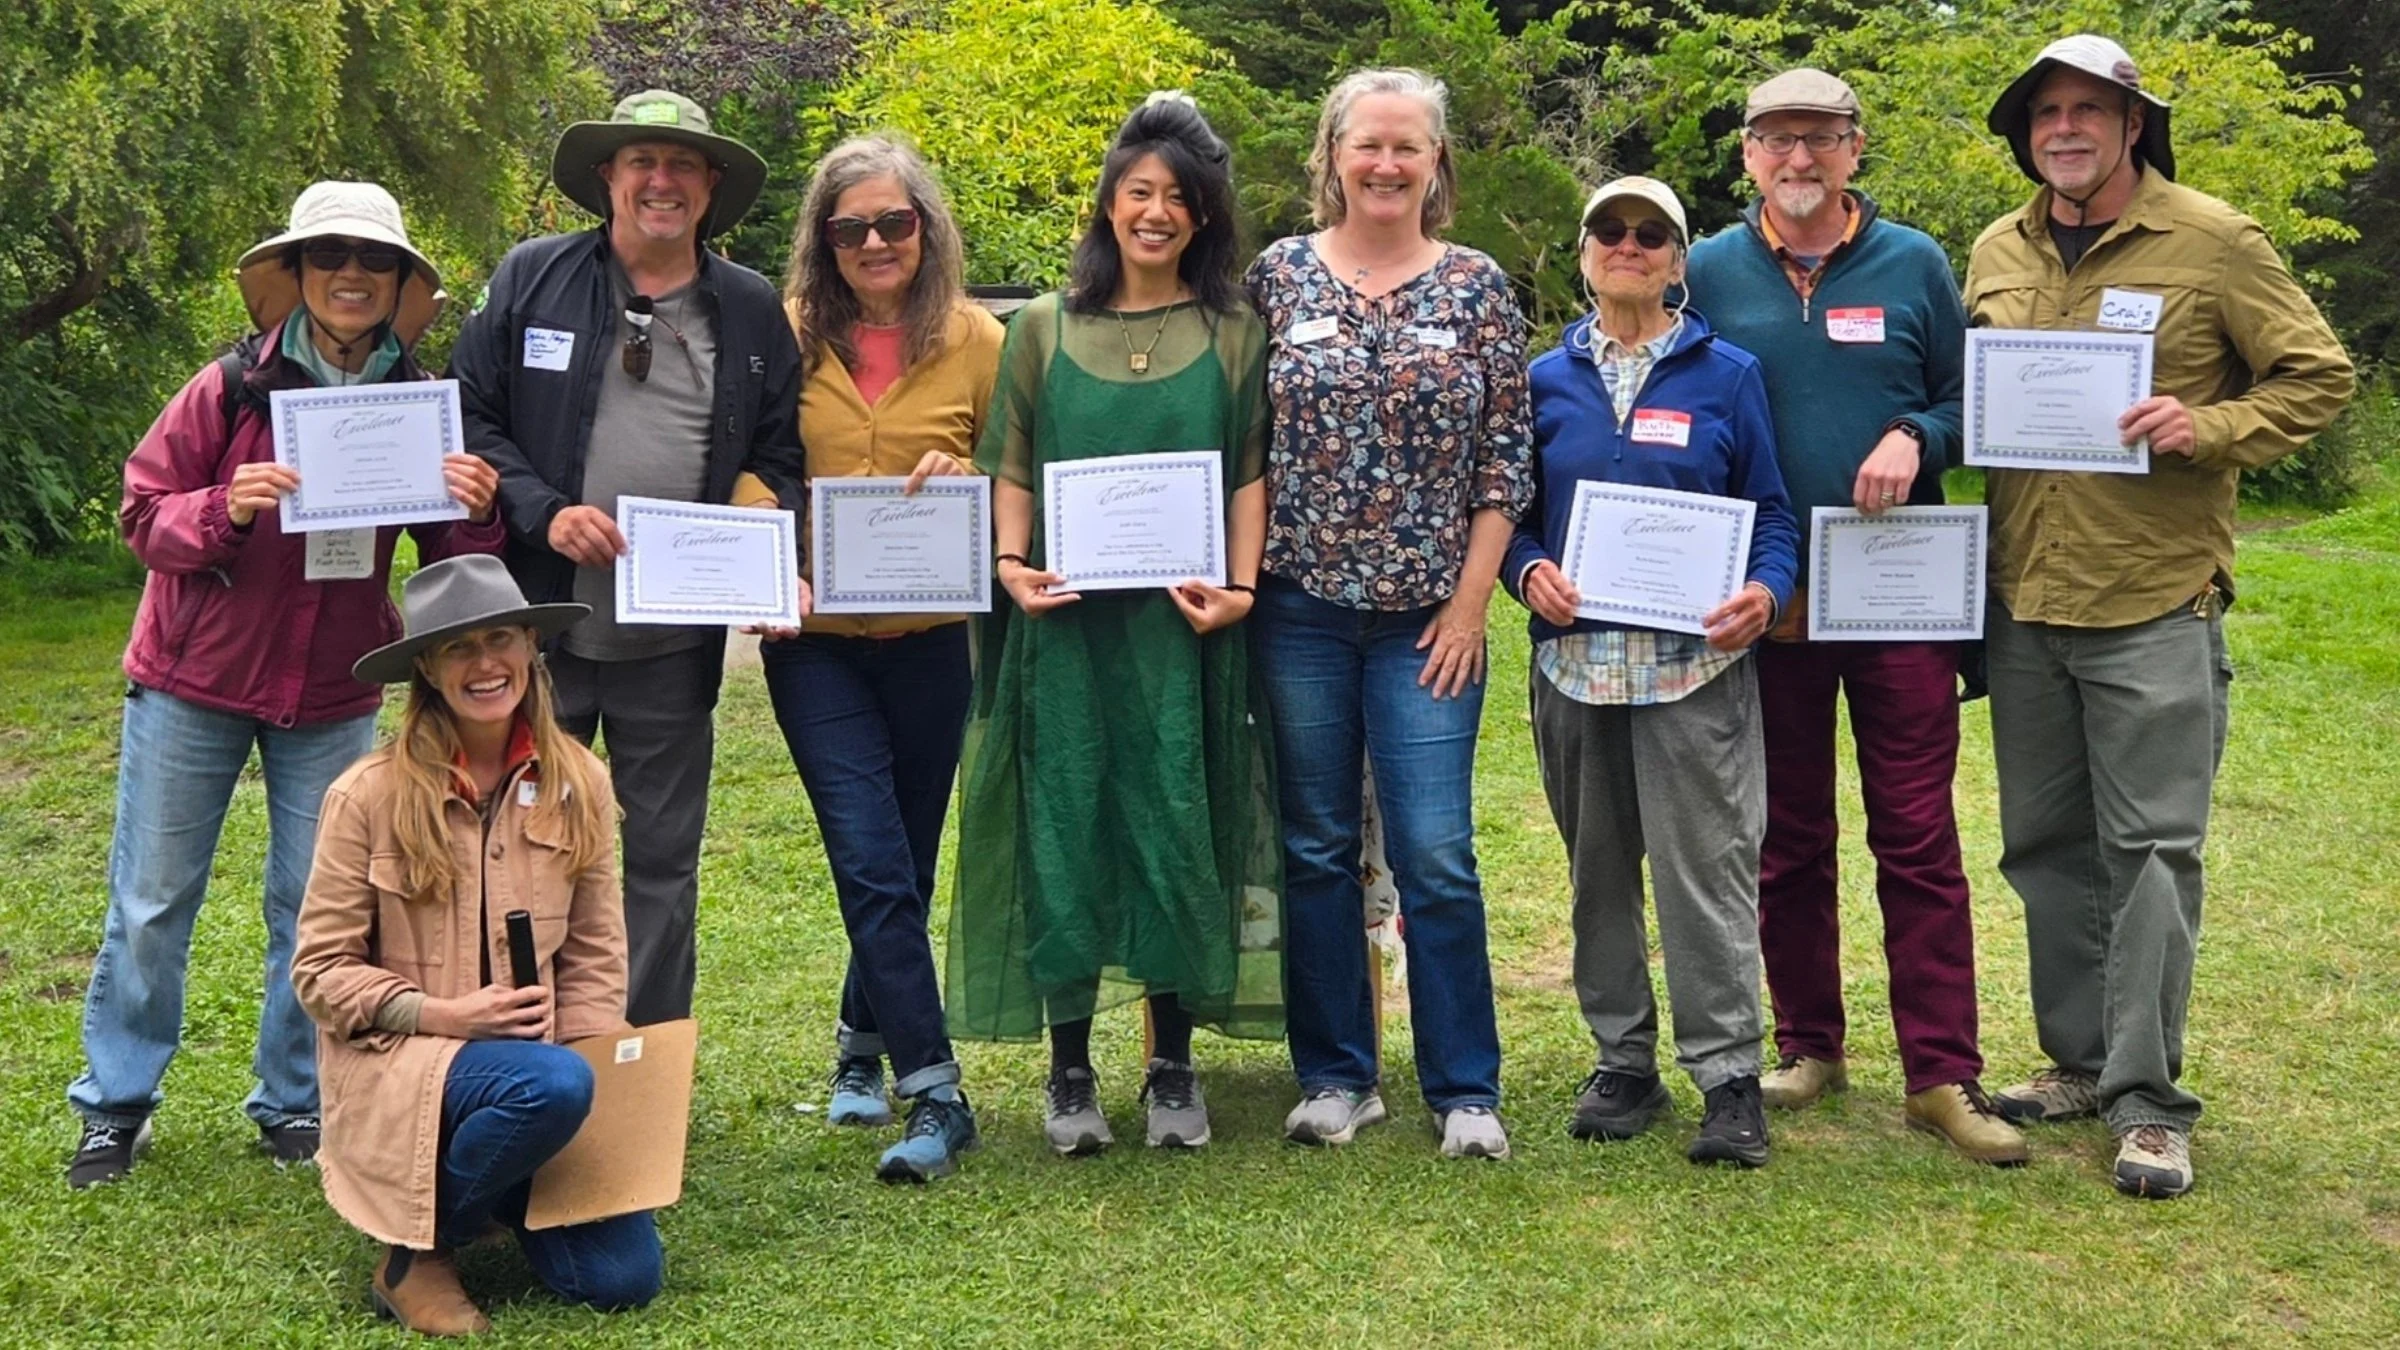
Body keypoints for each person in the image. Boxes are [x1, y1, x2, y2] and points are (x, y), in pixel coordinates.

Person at [1967, 35, 2353, 1198]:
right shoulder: (1995, 248)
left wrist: (2209, 425)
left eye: (2090, 110)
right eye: (2046, 113)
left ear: (2134, 125)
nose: (2065, 130)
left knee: (2149, 857)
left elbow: (2317, 374)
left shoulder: (2216, 240)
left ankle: (2148, 1101)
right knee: (2044, 847)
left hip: (2151, 598)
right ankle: (2079, 1062)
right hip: (2027, 597)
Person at [66, 181, 504, 1189]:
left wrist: (475, 506)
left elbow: (453, 563)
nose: (352, 274)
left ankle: (296, 1101)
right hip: (194, 680)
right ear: (299, 274)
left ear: (399, 283)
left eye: (375, 259)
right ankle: (116, 1105)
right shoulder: (227, 388)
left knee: (317, 909)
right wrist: (224, 508)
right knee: (151, 902)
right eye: (329, 256)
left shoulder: (421, 405)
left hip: (335, 690)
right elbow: (142, 515)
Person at [1684, 70, 2025, 1166]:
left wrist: (1917, 435)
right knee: (1785, 835)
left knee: (1917, 836)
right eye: (1778, 139)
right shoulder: (1706, 268)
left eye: (1820, 138)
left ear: (1854, 149)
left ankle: (1942, 1074)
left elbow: (1972, 399)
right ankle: (1810, 1045)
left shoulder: (1914, 261)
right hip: (1770, 594)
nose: (1800, 158)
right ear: (1748, 154)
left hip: (1899, 588)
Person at [947, 93, 1282, 1156]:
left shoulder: (1236, 332)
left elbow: (1248, 475)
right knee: (1066, 829)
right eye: (1139, 192)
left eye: (1178, 198)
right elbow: (1010, 462)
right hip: (1067, 626)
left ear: (1203, 216)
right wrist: (1010, 566)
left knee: (1177, 821)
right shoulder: (1041, 327)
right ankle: (1070, 1070)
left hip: (1183, 633)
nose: (1156, 212)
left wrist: (1241, 589)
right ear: (1107, 204)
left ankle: (1172, 1063)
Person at [450, 90, 807, 1027]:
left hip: (670, 646)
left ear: (711, 185)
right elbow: (468, 414)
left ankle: (637, 1061)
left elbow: (778, 455)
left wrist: (754, 542)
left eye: (682, 163)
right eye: (642, 160)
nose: (661, 180)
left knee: (659, 863)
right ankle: (523, 1048)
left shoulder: (750, 308)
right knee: (513, 849)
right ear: (607, 175)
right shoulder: (533, 277)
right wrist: (545, 514)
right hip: (537, 633)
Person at [1244, 67, 1531, 1161]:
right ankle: (1336, 1077)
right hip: (1300, 611)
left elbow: (1507, 461)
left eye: (1408, 146)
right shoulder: (1277, 276)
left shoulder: (1477, 285)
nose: (1387, 163)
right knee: (1316, 847)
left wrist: (1470, 607)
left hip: (1428, 623)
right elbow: (1241, 442)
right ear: (1333, 154)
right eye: (1368, 143)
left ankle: (1465, 1089)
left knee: (1435, 850)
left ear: (1436, 161)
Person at [1502, 177, 1799, 1168]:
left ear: (1679, 260)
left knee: (1705, 875)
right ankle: (1622, 1061)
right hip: (1577, 668)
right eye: (1609, 231)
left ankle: (1729, 1077)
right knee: (1597, 876)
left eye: (1650, 234)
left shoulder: (1729, 375)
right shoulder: (1543, 379)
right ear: (1585, 252)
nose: (1627, 246)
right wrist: (1527, 571)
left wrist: (1765, 592)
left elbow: (1771, 514)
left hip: (1693, 672)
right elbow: (1512, 517)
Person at [293, 554, 659, 1335]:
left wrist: (600, 1092)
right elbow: (319, 974)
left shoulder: (580, 781)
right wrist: (445, 1016)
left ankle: (492, 1176)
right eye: (458, 647)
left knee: (622, 1278)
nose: (484, 664)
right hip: (408, 1064)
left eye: (500, 639)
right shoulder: (367, 795)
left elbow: (594, 955)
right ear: (427, 668)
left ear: (531, 646)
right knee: (549, 1088)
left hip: (543, 1065)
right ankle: (417, 1252)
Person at [736, 135, 1003, 1181]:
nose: (876, 243)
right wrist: (767, 558)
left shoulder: (980, 340)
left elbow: (1018, 473)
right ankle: (936, 1090)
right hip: (815, 648)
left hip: (933, 643)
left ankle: (859, 1044)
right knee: (869, 855)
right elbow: (747, 462)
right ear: (824, 239)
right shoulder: (780, 335)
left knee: (905, 857)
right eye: (852, 229)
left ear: (926, 228)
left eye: (895, 222)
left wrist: (972, 475)